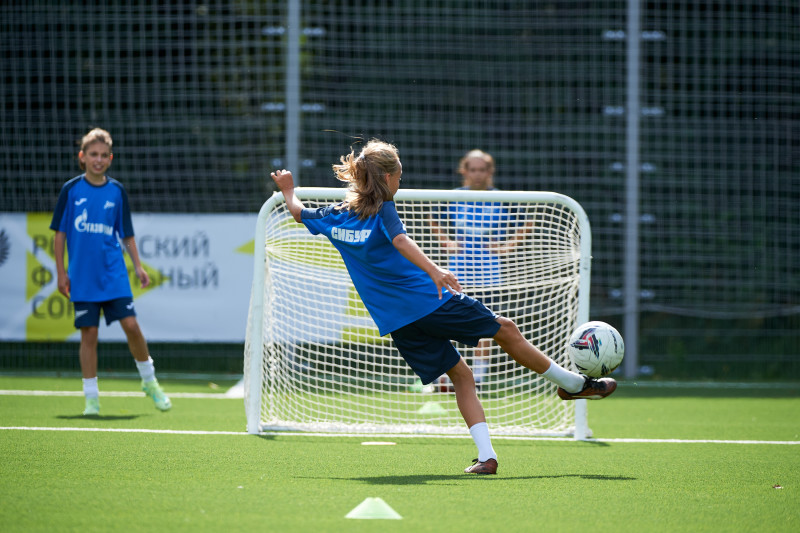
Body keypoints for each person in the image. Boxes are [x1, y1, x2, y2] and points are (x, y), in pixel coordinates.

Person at [270, 139, 616, 475]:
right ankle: (573, 384)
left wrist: (288, 189)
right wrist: (435, 270)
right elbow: (401, 239)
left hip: (398, 323)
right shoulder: (383, 209)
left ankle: (487, 457)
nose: (400, 182)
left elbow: (298, 213)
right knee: (505, 329)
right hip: (431, 303)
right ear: (388, 178)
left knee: (462, 376)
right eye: (400, 176)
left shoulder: (336, 216)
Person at [50, 128, 171, 416]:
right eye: (93, 154)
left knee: (131, 326)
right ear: (82, 156)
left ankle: (149, 381)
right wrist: (61, 272)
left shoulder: (117, 191)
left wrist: (138, 266)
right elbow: (59, 234)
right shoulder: (71, 190)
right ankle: (91, 399)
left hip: (113, 273)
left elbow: (126, 234)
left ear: (110, 158)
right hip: (82, 276)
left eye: (104, 155)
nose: (98, 159)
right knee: (88, 334)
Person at [429, 150, 524, 389]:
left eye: (482, 170)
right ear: (464, 171)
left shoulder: (501, 198)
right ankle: (445, 374)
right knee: (446, 321)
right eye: (473, 169)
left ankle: (478, 378)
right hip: (457, 271)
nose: (478, 175)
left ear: (490, 172)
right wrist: (446, 242)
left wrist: (506, 247)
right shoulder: (455, 196)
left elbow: (527, 222)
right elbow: (431, 217)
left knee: (485, 323)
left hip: (488, 273)